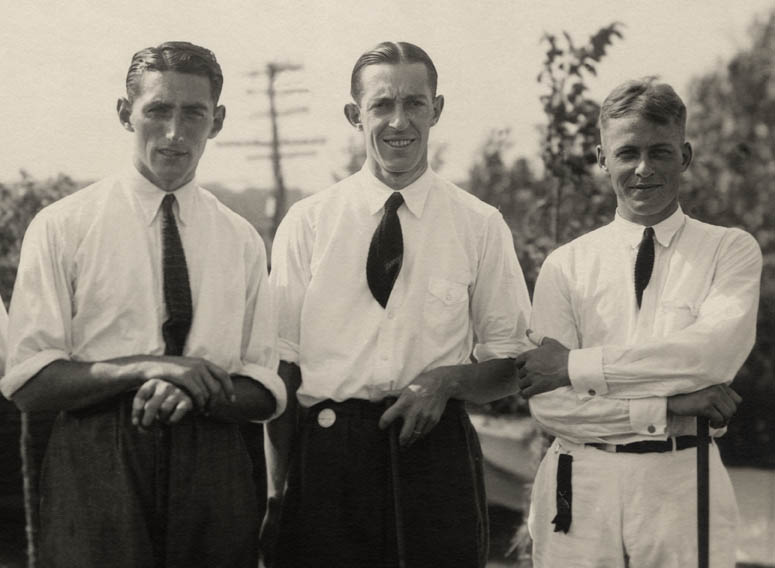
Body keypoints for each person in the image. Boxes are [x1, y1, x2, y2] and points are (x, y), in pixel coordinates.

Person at [1, 41, 286, 568]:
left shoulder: (241, 238)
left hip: (213, 465)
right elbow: (29, 382)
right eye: (157, 109)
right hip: (98, 459)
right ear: (125, 113)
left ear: (217, 120)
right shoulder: (64, 225)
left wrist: (194, 392)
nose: (176, 133)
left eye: (194, 113)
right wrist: (150, 368)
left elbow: (265, 388)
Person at [264, 41, 532, 567]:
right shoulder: (308, 222)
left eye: (414, 103)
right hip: (328, 457)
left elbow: (513, 366)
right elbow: (282, 365)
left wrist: (447, 381)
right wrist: (278, 491)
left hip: (434, 453)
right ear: (354, 115)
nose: (398, 121)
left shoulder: (478, 224)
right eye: (382, 105)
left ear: (437, 109)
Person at [515, 77, 762, 568]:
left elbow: (708, 356)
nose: (643, 169)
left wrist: (575, 368)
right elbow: (550, 405)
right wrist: (670, 403)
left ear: (686, 156)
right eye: (627, 153)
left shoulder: (728, 250)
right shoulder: (565, 264)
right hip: (580, 486)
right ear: (603, 159)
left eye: (661, 152)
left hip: (683, 480)